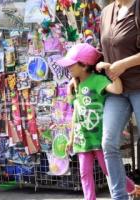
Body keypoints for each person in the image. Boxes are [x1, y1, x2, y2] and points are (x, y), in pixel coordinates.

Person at [57, 43, 138, 200]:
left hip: (99, 138)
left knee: (109, 170)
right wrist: (71, 138)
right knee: (84, 174)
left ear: (85, 64)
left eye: (71, 64)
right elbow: (76, 113)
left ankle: (132, 188)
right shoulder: (75, 84)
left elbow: (118, 90)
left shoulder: (97, 80)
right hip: (82, 140)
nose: (68, 68)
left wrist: (109, 70)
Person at [97, 0, 140, 199]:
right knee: (108, 143)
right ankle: (119, 197)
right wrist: (77, 77)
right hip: (117, 89)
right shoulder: (106, 12)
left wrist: (123, 64)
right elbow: (101, 49)